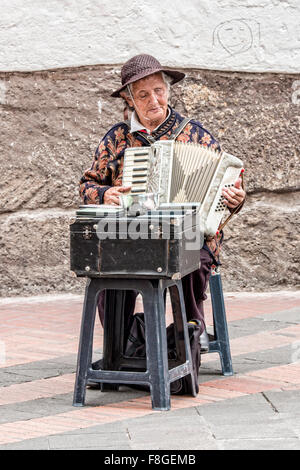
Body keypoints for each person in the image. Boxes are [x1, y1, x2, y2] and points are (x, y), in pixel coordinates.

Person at [79, 54, 245, 355]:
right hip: (133, 233)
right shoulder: (117, 139)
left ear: (167, 90)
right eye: (143, 94)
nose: (153, 100)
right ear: (129, 100)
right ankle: (125, 341)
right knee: (108, 269)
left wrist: (236, 199)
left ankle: (191, 332)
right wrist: (105, 195)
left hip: (188, 235)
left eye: (158, 90)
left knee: (192, 252)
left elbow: (227, 188)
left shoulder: (194, 134)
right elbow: (87, 185)